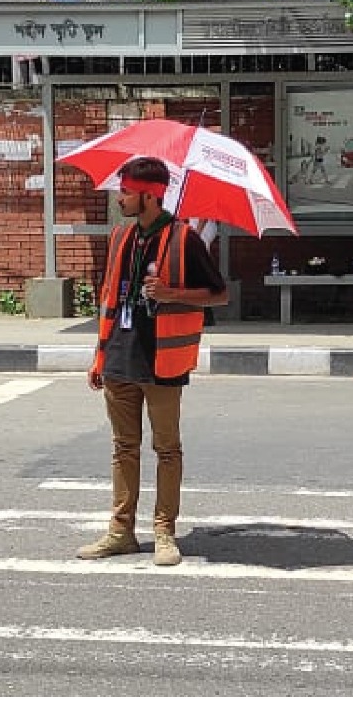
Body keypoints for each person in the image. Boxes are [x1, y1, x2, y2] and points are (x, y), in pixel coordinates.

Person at [79, 156, 228, 568]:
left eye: (125, 191)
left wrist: (170, 293)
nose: (119, 197)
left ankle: (164, 531)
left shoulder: (185, 239)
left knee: (167, 449)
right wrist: (100, 355)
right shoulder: (120, 237)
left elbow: (220, 295)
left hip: (165, 360)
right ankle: (120, 532)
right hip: (120, 358)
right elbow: (111, 296)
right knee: (123, 448)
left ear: (149, 194)